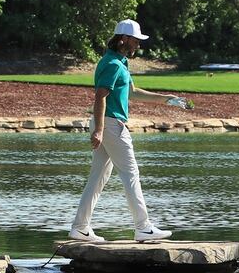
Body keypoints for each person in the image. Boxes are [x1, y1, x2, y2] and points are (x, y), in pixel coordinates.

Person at [69, 19, 180, 243]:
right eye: (136, 40)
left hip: (107, 125)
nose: (138, 44)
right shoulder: (112, 64)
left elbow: (133, 92)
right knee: (131, 174)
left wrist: (167, 99)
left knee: (97, 178)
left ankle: (80, 228)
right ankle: (143, 227)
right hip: (110, 125)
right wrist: (99, 130)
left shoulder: (121, 62)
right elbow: (100, 96)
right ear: (124, 39)